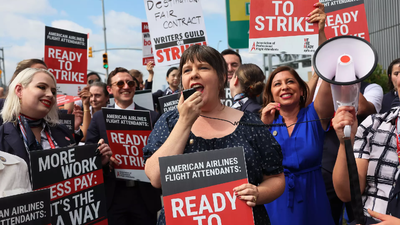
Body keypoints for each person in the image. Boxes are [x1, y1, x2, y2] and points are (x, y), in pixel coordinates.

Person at [143, 45, 285, 225]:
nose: (194, 74)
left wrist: (258, 193)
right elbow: (156, 178)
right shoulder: (169, 122)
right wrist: (184, 122)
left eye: (203, 68)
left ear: (221, 78)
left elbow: (276, 178)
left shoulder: (250, 122)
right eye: (187, 70)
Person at [261, 3, 335, 224]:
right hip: (277, 203)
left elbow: (328, 72)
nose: (284, 87)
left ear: (302, 90)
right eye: (277, 84)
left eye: (290, 81)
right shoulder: (263, 123)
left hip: (314, 201)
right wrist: (263, 128)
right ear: (271, 92)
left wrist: (321, 31)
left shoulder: (315, 115)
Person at [0, 68, 112, 180]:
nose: (50, 95)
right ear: (19, 90)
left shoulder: (62, 131)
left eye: (53, 92)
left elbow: (76, 176)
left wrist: (98, 163)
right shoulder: (3, 135)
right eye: (42, 87)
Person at [85, 67, 161, 225]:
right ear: (110, 89)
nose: (126, 87)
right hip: (113, 195)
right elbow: (88, 154)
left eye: (130, 83)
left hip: (144, 196)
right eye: (120, 83)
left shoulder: (152, 117)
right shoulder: (99, 118)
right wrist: (101, 156)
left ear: (135, 87)